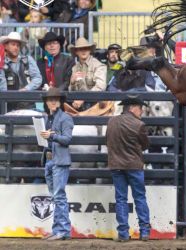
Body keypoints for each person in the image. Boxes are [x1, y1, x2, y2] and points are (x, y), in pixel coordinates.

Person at [106, 96, 151, 242]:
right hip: (134, 166)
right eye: (140, 108)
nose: (141, 111)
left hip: (116, 166)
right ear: (133, 107)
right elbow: (145, 145)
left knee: (121, 199)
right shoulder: (139, 125)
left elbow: (107, 141)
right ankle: (144, 231)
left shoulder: (111, 121)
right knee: (139, 197)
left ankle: (123, 233)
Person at [40, 87, 74, 241]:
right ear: (46, 103)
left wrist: (52, 136)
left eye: (55, 99)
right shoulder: (49, 118)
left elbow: (67, 139)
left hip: (59, 161)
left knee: (59, 196)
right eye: (50, 99)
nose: (53, 102)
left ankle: (63, 230)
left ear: (60, 102)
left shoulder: (65, 118)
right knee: (56, 197)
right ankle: (58, 230)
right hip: (50, 160)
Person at [0, 32, 42, 110]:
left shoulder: (28, 59)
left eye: (18, 45)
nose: (16, 47)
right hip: (9, 106)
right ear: (5, 46)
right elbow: (3, 87)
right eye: (13, 44)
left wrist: (27, 88)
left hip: (29, 104)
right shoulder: (1, 63)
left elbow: (37, 78)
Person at [68, 37, 107, 110]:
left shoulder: (99, 66)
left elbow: (100, 87)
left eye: (86, 48)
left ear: (89, 50)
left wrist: (83, 98)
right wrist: (72, 82)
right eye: (80, 49)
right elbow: (71, 92)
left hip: (96, 107)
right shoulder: (75, 68)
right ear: (76, 52)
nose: (83, 51)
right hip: (80, 107)